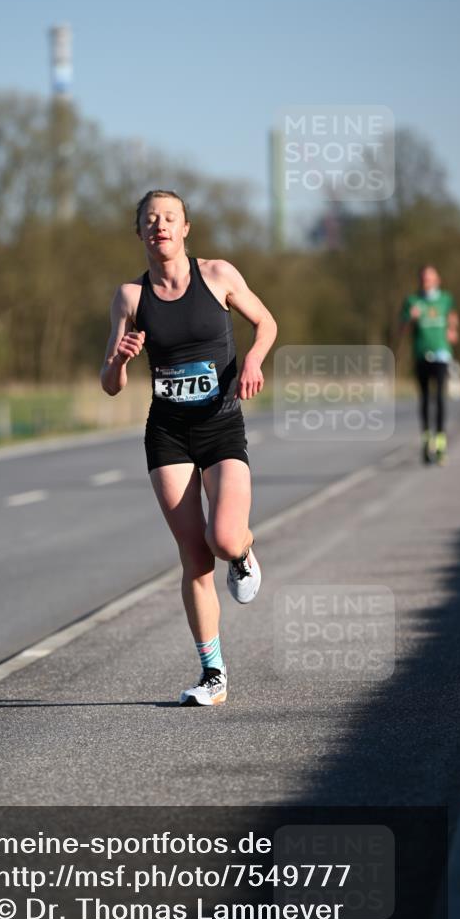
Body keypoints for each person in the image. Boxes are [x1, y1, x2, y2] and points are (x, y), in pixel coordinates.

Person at [100, 190, 277, 706]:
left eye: (169, 218)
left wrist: (252, 362)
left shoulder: (219, 275)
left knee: (222, 538)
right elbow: (109, 382)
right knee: (195, 557)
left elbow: (265, 323)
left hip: (221, 426)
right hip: (168, 433)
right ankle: (213, 674)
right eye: (150, 220)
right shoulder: (130, 298)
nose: (160, 226)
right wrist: (121, 360)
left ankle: (243, 553)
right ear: (140, 233)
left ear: (185, 228)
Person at [399, 265, 459, 465]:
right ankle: (427, 439)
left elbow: (451, 316)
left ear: (437, 280)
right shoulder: (412, 301)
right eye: (423, 277)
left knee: (440, 397)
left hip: (441, 353)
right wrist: (411, 318)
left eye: (430, 278)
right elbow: (402, 328)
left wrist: (452, 330)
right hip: (421, 354)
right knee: (424, 399)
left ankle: (440, 441)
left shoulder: (445, 299)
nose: (426, 281)